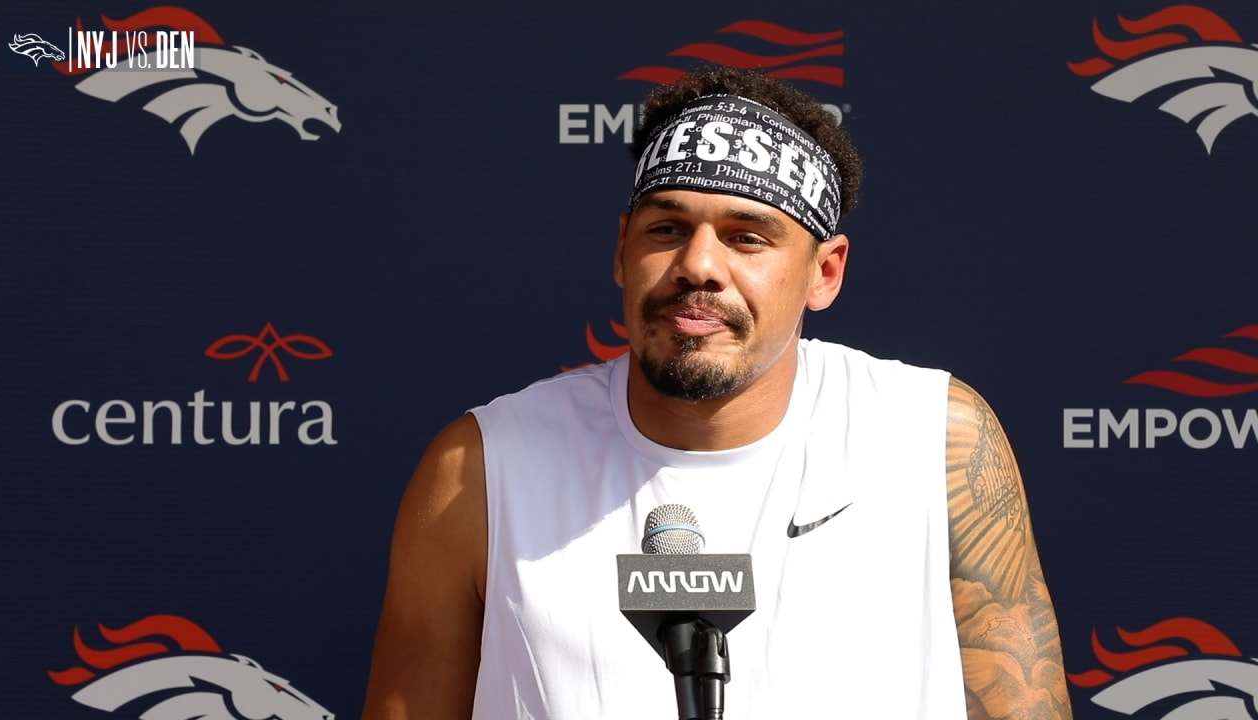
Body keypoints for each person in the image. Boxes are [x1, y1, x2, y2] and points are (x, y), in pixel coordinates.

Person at [362, 67, 1072, 719]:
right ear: (621, 250)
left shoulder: (934, 438)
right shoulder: (480, 469)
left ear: (825, 272)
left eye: (747, 238)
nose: (698, 264)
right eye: (667, 228)